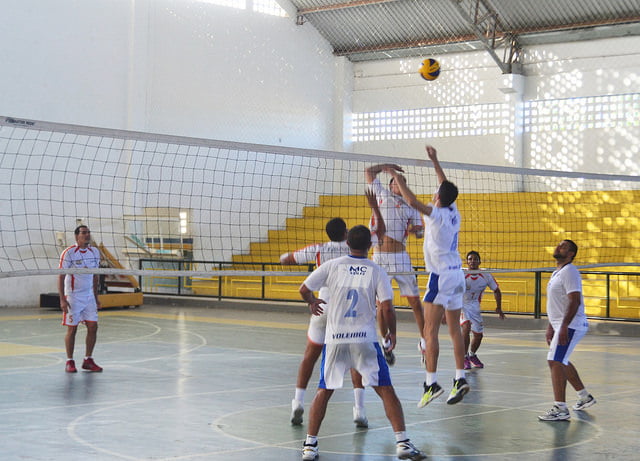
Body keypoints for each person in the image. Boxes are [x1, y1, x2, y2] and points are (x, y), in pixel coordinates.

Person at [298, 225, 426, 461]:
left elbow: (304, 289)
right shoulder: (377, 271)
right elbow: (386, 308)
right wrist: (392, 334)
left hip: (336, 339)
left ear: (347, 243)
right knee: (385, 389)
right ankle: (403, 443)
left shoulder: (332, 266)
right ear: (371, 246)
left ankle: (310, 446)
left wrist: (312, 302)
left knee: (324, 391)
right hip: (364, 340)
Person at [280, 191, 385, 428]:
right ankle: (359, 409)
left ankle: (297, 402)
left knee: (310, 355)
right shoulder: (354, 247)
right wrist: (374, 208)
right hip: (351, 311)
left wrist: (310, 293)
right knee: (356, 356)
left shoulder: (319, 250)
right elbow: (381, 234)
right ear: (346, 235)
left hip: (324, 306)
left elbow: (285, 258)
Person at [385, 145, 469, 407]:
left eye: (435, 193)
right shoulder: (454, 212)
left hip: (440, 277)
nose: (433, 194)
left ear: (438, 198)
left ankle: (430, 383)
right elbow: (444, 185)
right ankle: (460, 377)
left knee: (430, 330)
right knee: (454, 329)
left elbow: (411, 201)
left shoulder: (436, 215)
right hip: (457, 276)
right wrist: (435, 160)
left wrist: (394, 175)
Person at [365, 163, 425, 365]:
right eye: (397, 181)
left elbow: (419, 232)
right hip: (380, 257)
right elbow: (369, 172)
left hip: (401, 257)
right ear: (391, 186)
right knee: (383, 306)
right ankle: (386, 341)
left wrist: (419, 231)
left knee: (415, 302)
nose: (400, 183)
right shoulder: (381, 195)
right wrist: (387, 167)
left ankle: (425, 342)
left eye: (403, 181)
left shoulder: (411, 205)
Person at [538, 239, 597, 421]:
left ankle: (560, 408)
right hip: (562, 324)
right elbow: (557, 303)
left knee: (554, 361)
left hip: (572, 325)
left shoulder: (570, 271)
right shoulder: (558, 272)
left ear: (571, 253)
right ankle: (584, 396)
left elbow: (574, 300)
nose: (557, 247)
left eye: (563, 246)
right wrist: (551, 325)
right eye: (558, 244)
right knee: (561, 361)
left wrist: (563, 326)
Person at [58, 225, 103, 373]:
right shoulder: (69, 253)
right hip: (73, 296)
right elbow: (61, 276)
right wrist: (62, 300)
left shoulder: (95, 252)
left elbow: (95, 275)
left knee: (93, 327)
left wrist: (96, 298)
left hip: (89, 296)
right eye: (84, 233)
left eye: (88, 232)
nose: (87, 235)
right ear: (77, 236)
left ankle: (88, 360)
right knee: (73, 329)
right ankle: (69, 361)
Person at [461, 250, 505, 369]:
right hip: (461, 304)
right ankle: (464, 357)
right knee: (466, 327)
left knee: (479, 335)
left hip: (474, 305)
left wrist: (499, 308)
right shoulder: (461, 274)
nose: (472, 261)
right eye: (470, 259)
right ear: (467, 262)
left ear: (479, 261)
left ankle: (472, 355)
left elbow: (496, 290)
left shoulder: (485, 275)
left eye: (475, 259)